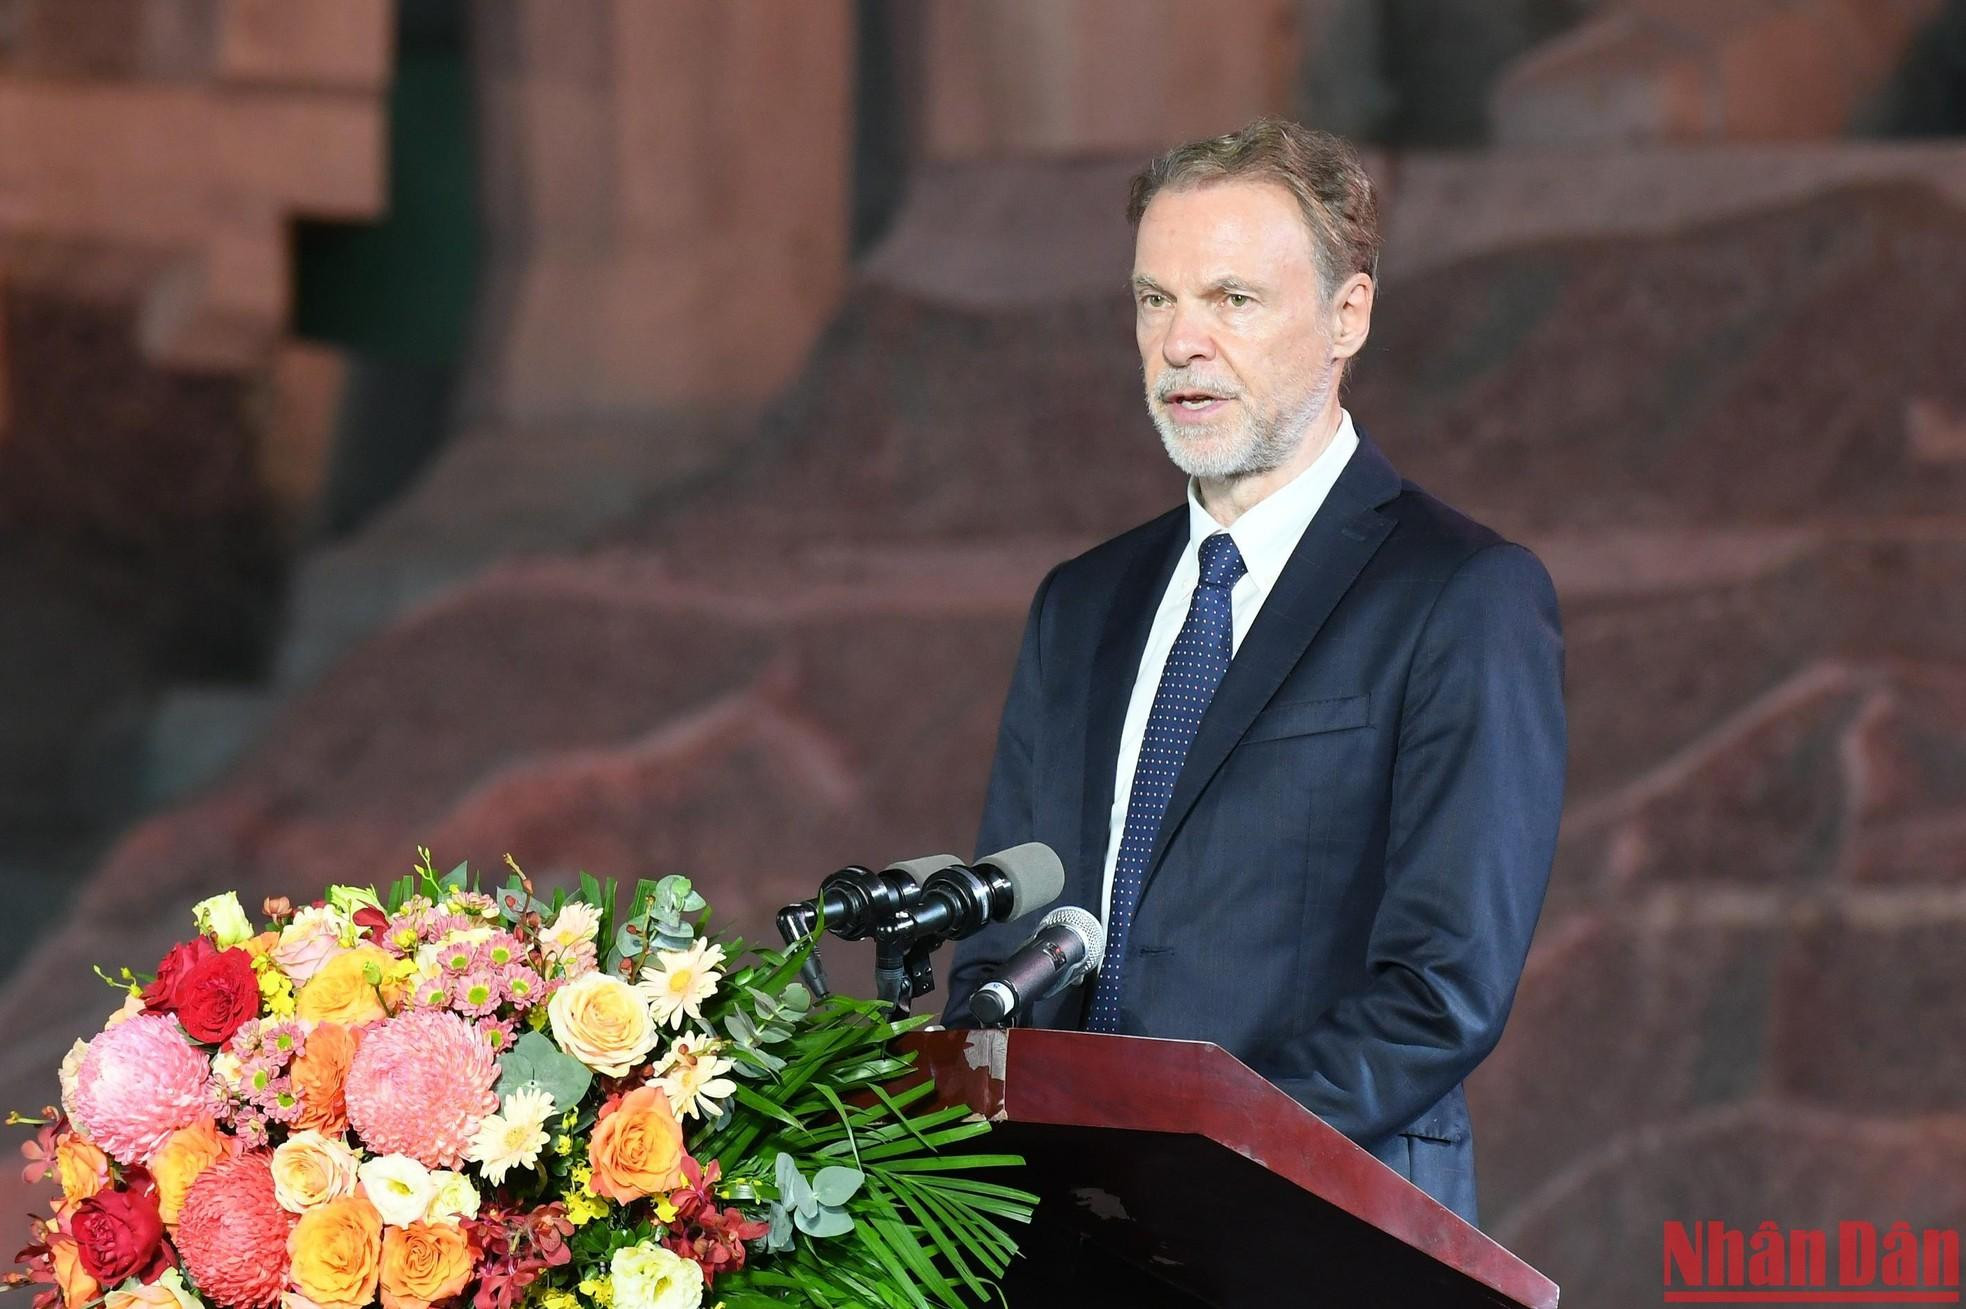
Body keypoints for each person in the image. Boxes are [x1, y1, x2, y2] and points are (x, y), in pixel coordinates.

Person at [944, 118, 1566, 1227]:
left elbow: (1441, 990)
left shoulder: (1460, 594)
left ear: (1348, 315)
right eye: (1155, 299)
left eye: (1232, 299)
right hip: (1066, 1240)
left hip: (1318, 1232)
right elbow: (1001, 944)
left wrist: (1186, 1160)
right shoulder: (1080, 604)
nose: (1181, 342)